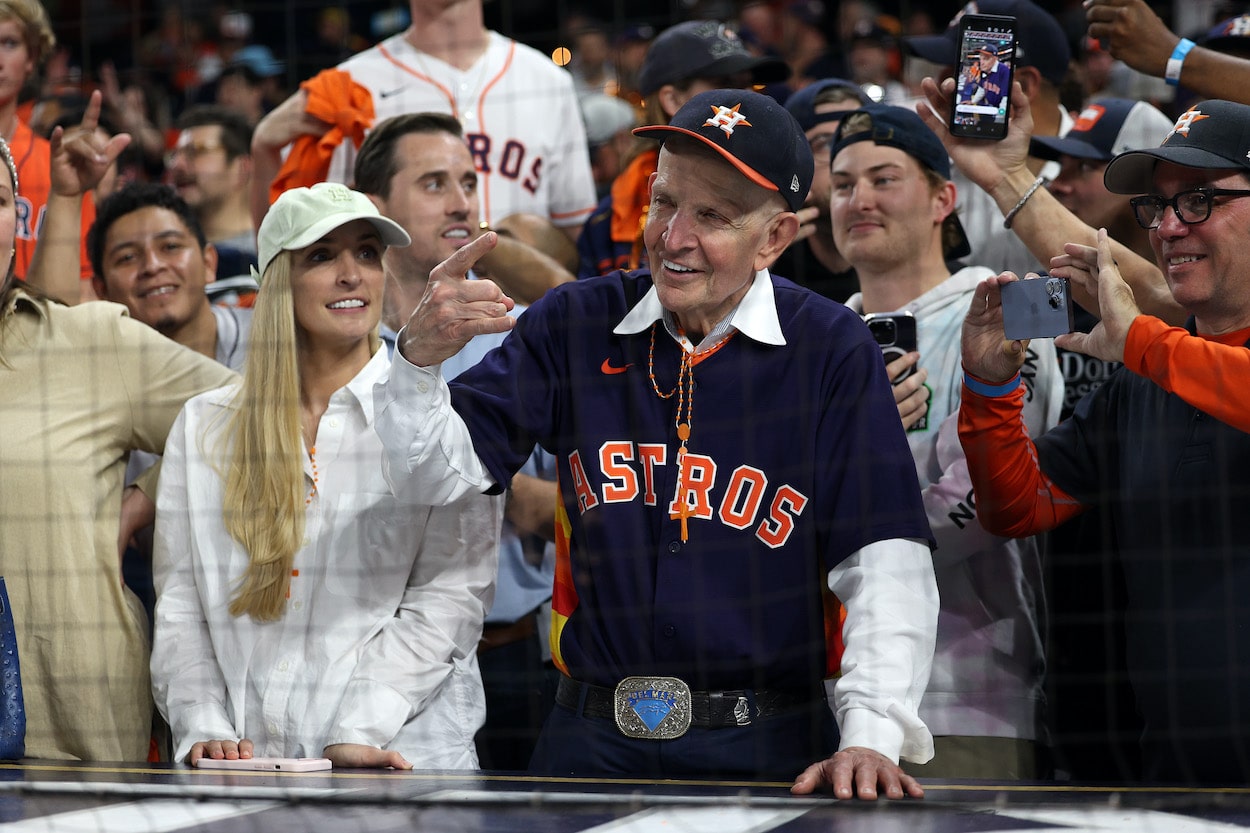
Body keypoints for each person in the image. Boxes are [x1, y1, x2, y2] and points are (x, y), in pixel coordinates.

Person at [375, 88, 938, 798]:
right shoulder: (574, 322)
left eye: (711, 216)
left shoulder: (830, 348)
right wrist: (417, 369)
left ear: (775, 237)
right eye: (663, 201)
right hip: (588, 744)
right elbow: (434, 476)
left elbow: (885, 559)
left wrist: (871, 732)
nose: (672, 237)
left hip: (770, 749)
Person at [150, 182, 501, 768]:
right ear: (274, 282)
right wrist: (201, 724)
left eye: (366, 253)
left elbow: (450, 597)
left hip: (401, 761)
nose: (351, 275)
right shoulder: (203, 425)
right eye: (321, 256)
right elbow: (182, 603)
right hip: (248, 769)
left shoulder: (440, 419)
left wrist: (360, 726)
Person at [957, 98, 1250, 784]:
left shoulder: (1149, 357)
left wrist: (1142, 342)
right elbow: (1016, 508)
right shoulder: (1140, 385)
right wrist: (993, 391)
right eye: (1160, 206)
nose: (1170, 228)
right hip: (1179, 779)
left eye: (1201, 200)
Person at [829, 103, 1061, 779]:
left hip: (971, 699)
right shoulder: (817, 336)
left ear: (943, 197)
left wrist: (827, 543)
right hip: (835, 701)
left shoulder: (1005, 308)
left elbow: (990, 504)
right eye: (842, 184)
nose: (859, 199)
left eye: (883, 178)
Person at [0, 132, 237, 761]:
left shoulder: (89, 341)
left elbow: (255, 414)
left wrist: (145, 496)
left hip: (74, 742)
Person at [352, 111, 562, 770]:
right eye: (434, 182)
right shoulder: (334, 341)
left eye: (468, 182)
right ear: (375, 207)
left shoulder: (519, 331)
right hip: (371, 667)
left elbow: (569, 494)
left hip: (516, 658)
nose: (462, 201)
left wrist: (494, 486)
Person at [251, 0, 597, 255]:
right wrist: (264, 151)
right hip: (397, 328)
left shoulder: (548, 80)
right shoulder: (349, 86)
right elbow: (290, 241)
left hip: (525, 323)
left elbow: (574, 233)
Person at [576, 20, 789, 279]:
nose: (745, 100)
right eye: (725, 83)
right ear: (672, 99)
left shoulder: (783, 205)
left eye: (748, 86)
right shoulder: (608, 220)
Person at [904, 0, 1075, 278]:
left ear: (1026, 85)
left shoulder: (1099, 163)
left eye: (960, 68)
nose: (942, 81)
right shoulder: (943, 169)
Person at [88, 182, 251, 369]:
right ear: (101, 290)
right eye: (128, 257)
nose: (152, 266)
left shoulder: (276, 338)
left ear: (208, 263)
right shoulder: (97, 374)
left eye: (171, 246)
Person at [0, 0, 97, 296]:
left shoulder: (62, 168)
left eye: (9, 43)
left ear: (32, 58)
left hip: (38, 333)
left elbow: (83, 293)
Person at [776, 77, 871, 301]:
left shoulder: (914, 263)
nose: (845, 158)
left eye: (857, 140)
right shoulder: (767, 268)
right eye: (826, 144)